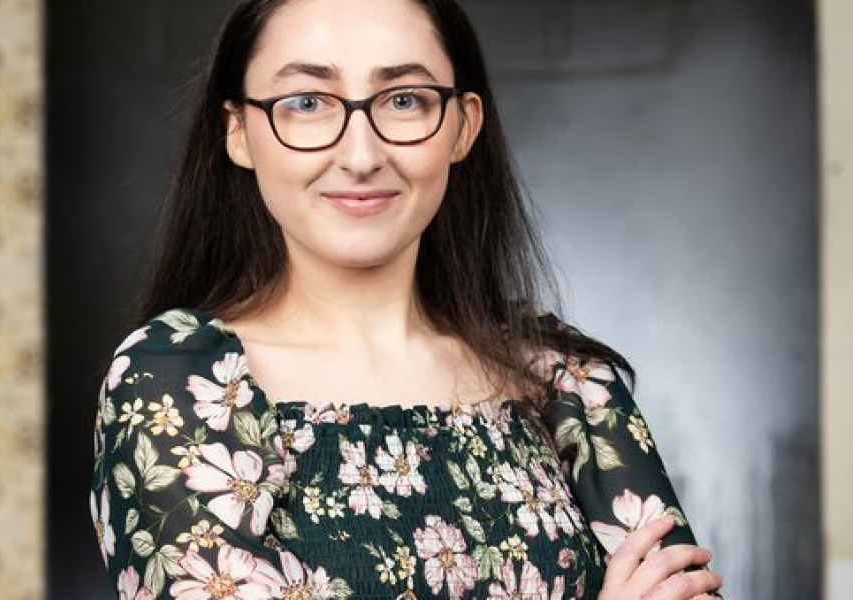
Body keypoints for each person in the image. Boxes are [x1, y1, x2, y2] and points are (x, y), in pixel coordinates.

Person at [90, 0, 724, 598]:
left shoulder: (564, 382)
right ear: (238, 133)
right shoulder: (180, 381)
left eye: (405, 100)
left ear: (461, 127)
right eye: (307, 101)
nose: (361, 155)